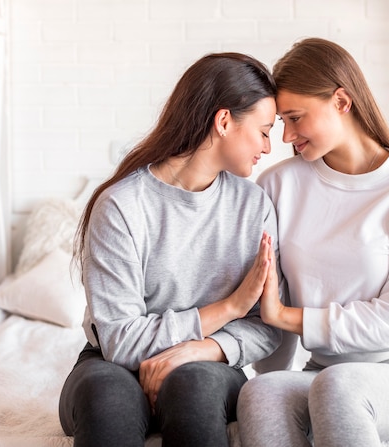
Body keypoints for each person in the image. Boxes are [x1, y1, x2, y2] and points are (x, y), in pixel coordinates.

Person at [237, 38, 389, 446]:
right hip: (328, 372)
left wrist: (285, 316)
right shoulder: (278, 185)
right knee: (261, 393)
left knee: (340, 386)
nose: (287, 136)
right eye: (281, 122)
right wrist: (273, 372)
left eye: (296, 118)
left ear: (342, 102)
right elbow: (272, 299)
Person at [58, 52, 284, 447]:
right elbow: (122, 341)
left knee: (193, 388)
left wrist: (202, 349)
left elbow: (267, 326)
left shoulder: (254, 207)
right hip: (110, 365)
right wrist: (228, 308)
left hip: (210, 365)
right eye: (264, 130)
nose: (268, 147)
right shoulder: (122, 206)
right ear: (224, 121)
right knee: (108, 398)